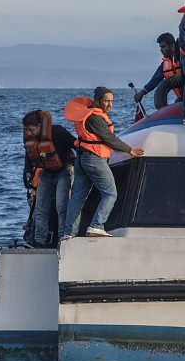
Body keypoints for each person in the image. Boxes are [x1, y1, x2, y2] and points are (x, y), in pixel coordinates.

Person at [61, 87, 146, 239]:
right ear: (97, 100)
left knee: (77, 198)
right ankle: (96, 226)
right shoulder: (96, 118)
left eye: (112, 101)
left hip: (81, 158)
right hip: (94, 159)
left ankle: (69, 234)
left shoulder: (86, 115)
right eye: (106, 101)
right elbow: (109, 138)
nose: (109, 104)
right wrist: (129, 150)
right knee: (110, 193)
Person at [22, 110, 77, 248]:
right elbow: (29, 159)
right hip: (46, 173)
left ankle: (63, 241)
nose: (29, 133)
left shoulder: (58, 132)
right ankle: (39, 241)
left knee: (62, 207)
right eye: (26, 130)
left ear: (40, 126)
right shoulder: (32, 140)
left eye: (31, 129)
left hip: (64, 171)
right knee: (40, 208)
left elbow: (76, 145)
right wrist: (27, 175)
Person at [133, 33, 183, 106]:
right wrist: (142, 92)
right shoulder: (164, 65)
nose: (161, 50)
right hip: (181, 99)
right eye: (160, 47)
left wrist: (182, 75)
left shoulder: (183, 58)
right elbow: (155, 80)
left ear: (172, 46)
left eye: (163, 47)